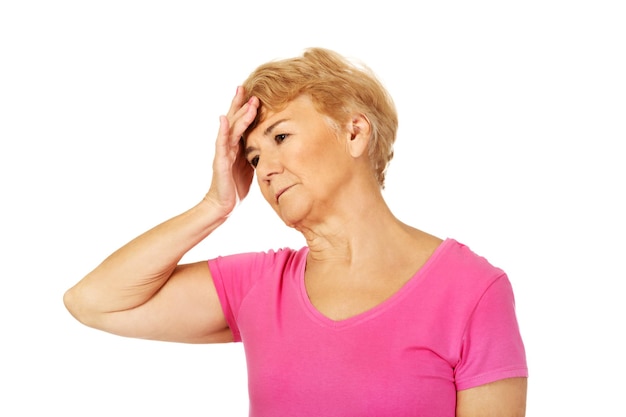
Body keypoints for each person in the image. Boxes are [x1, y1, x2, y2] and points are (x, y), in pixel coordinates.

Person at [64, 47, 528, 416]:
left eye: (280, 137)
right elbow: (93, 301)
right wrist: (215, 205)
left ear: (354, 133)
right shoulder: (259, 285)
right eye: (253, 157)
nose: (265, 169)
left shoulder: (472, 291)